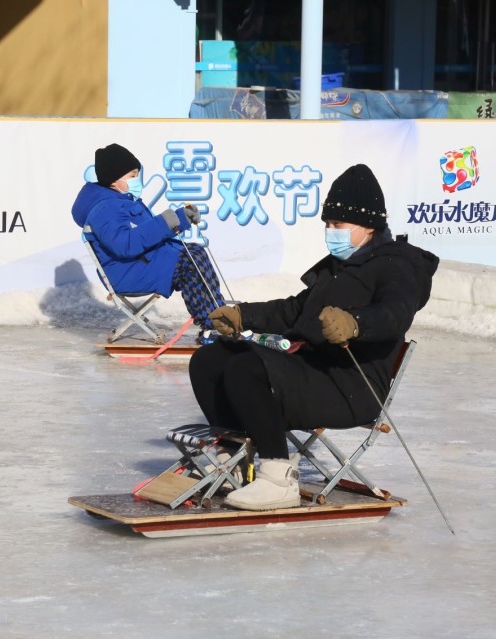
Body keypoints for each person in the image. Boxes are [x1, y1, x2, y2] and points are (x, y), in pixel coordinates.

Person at [188, 164, 439, 511]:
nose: (330, 231)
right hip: (312, 371)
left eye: (338, 225)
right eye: (327, 224)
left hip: (352, 386)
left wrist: (355, 323)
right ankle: (234, 458)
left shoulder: (396, 265)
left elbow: (396, 313)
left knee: (248, 369)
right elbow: (294, 311)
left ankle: (278, 479)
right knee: (211, 359)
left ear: (369, 226)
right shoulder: (338, 267)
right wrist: (243, 315)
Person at [71, 143, 226, 338]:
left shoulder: (123, 201)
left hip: (141, 264)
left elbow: (148, 232)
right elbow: (125, 244)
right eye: (132, 176)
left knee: (194, 252)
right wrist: (167, 221)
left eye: (137, 175)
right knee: (189, 262)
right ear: (113, 181)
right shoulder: (105, 209)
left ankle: (221, 315)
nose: (137, 180)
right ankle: (212, 324)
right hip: (127, 272)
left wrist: (181, 218)